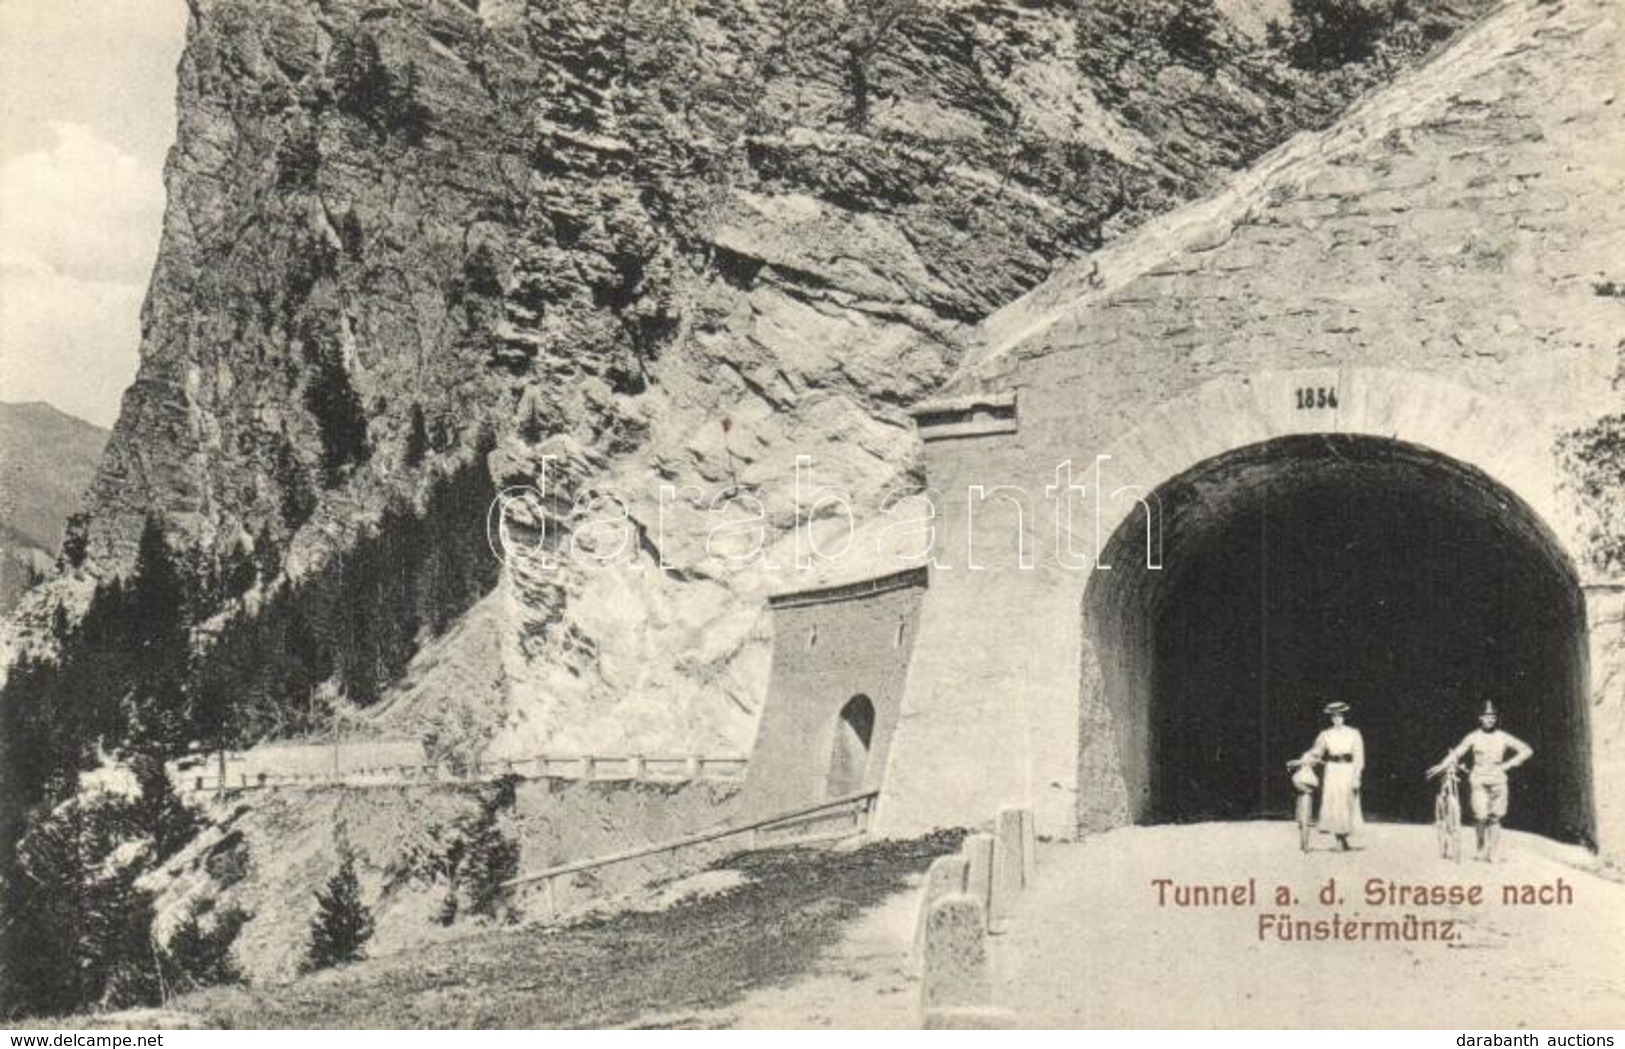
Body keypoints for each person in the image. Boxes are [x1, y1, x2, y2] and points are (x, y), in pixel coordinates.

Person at [1427, 701, 1532, 862]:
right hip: (1479, 780)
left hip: (1498, 781)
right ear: (1480, 718)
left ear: (1496, 719)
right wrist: (1442, 765)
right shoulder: (1473, 737)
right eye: (1486, 717)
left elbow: (1526, 750)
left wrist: (1508, 765)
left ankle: (1493, 852)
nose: (1490, 720)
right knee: (1480, 815)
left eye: (1493, 717)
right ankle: (1481, 848)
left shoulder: (1503, 737)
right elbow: (1458, 752)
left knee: (1495, 817)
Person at [1297, 701, 1364, 851]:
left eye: (1340, 716)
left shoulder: (1354, 733)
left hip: (1348, 769)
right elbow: (1316, 752)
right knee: (1334, 803)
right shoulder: (1326, 734)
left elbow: (1359, 757)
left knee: (1347, 803)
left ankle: (1344, 839)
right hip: (1333, 770)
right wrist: (1305, 757)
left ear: (1344, 717)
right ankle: (1339, 840)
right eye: (1334, 716)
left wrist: (1357, 776)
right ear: (1331, 718)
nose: (1337, 719)